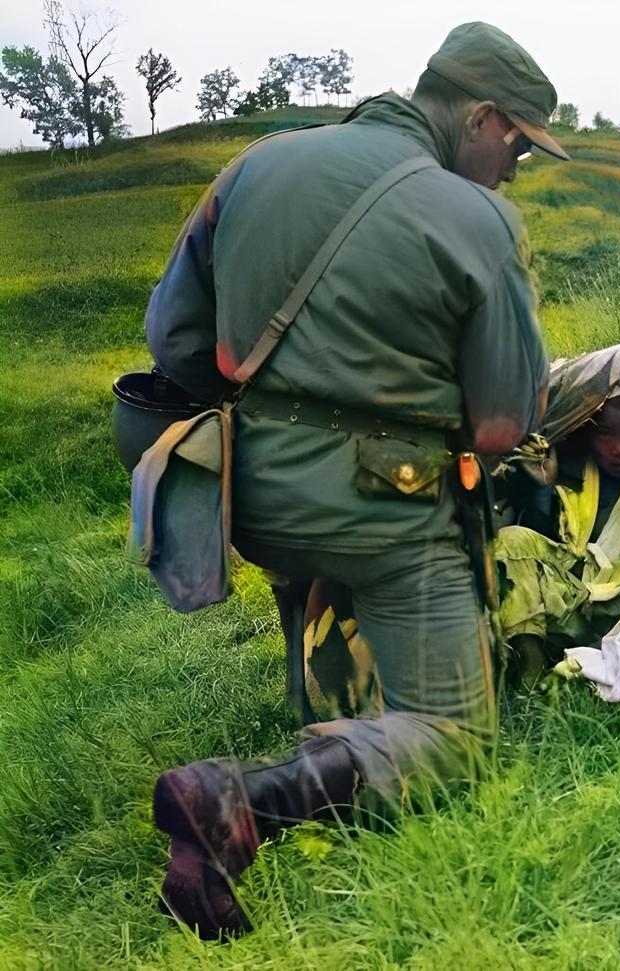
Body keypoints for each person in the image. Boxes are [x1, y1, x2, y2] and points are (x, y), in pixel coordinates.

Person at [142, 22, 567, 938]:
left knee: (314, 565)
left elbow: (173, 338)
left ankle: (320, 702)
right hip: (384, 514)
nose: (518, 164)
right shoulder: (482, 222)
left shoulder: (256, 166)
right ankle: (245, 800)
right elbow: (503, 425)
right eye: (520, 142)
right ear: (481, 116)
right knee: (458, 733)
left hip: (241, 503)